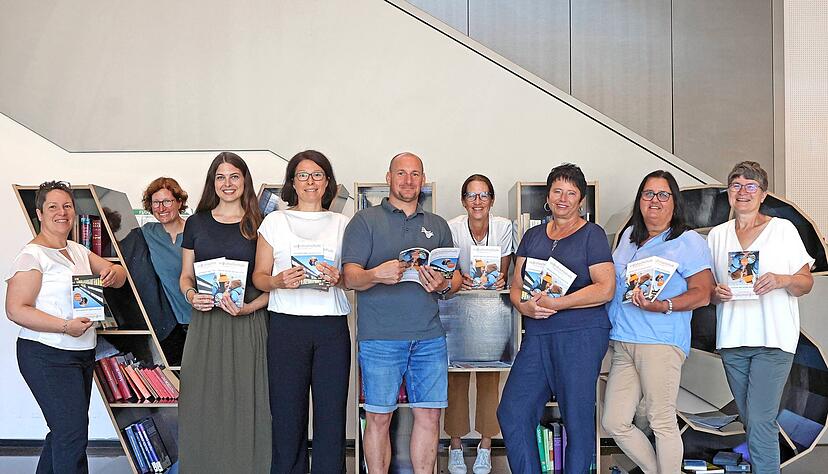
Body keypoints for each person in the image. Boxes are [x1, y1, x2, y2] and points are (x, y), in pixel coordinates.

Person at [342, 152, 462, 474]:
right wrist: (375, 274)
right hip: (380, 337)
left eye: (415, 174)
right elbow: (349, 276)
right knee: (379, 418)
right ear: (388, 177)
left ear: (423, 180)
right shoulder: (364, 221)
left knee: (430, 416)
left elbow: (456, 279)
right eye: (401, 173)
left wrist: (443, 283)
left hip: (429, 337)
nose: (408, 181)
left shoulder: (437, 225)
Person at [497, 163, 615, 474]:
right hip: (537, 335)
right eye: (557, 191)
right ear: (548, 197)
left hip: (582, 336)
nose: (563, 198)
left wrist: (559, 303)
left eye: (571, 193)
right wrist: (525, 307)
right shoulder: (534, 235)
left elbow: (606, 288)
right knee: (512, 412)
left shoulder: (593, 235)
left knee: (576, 420)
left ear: (581, 200)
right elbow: (517, 287)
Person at [5, 180, 127, 473]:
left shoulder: (77, 250)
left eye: (67, 206)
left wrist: (112, 272)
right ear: (40, 213)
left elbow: (119, 274)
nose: (62, 212)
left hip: (81, 352)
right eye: (53, 207)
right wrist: (64, 326)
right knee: (72, 435)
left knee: (65, 433)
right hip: (46, 355)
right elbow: (15, 310)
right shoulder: (32, 256)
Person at [601, 170, 714, 473]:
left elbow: (703, 293)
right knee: (614, 421)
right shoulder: (628, 237)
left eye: (663, 195)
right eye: (648, 194)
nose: (655, 200)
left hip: (660, 342)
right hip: (624, 341)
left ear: (674, 202)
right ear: (640, 200)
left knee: (661, 420)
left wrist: (663, 305)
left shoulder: (688, 241)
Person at [708, 161, 814, 473]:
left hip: (773, 338)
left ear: (763, 194)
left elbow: (804, 283)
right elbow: (710, 290)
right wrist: (716, 293)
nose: (743, 192)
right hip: (732, 341)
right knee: (751, 420)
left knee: (760, 420)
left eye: (750, 186)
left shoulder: (782, 231)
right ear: (728, 193)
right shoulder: (716, 236)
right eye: (736, 186)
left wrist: (782, 280)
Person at [252, 150, 351, 473]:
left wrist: (340, 278)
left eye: (317, 175)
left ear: (328, 183)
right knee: (286, 415)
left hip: (331, 329)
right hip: (286, 328)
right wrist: (278, 281)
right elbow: (259, 277)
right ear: (292, 182)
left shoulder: (343, 224)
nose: (310, 182)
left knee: (331, 416)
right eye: (303, 175)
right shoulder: (275, 221)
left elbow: (352, 277)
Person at [178, 152, 271, 473]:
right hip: (206, 322)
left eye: (234, 176)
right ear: (212, 183)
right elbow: (185, 276)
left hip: (247, 321)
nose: (227, 183)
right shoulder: (196, 222)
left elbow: (271, 285)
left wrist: (249, 308)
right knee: (201, 398)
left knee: (248, 397)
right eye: (220, 177)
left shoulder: (262, 223)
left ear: (245, 180)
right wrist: (191, 295)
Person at [444, 174, 513, 474]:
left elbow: (506, 270)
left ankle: (485, 445)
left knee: (490, 377)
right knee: (455, 378)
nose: (478, 201)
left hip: (493, 309)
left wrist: (500, 278)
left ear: (492, 200)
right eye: (472, 196)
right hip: (459, 308)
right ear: (463, 201)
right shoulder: (452, 226)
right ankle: (456, 446)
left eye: (484, 195)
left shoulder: (504, 226)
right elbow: (448, 269)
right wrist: (460, 279)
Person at [140, 177, 190, 363]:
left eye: (167, 201)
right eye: (156, 203)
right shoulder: (147, 232)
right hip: (170, 323)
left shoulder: (197, 230)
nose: (161, 208)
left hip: (201, 318)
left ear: (179, 202)